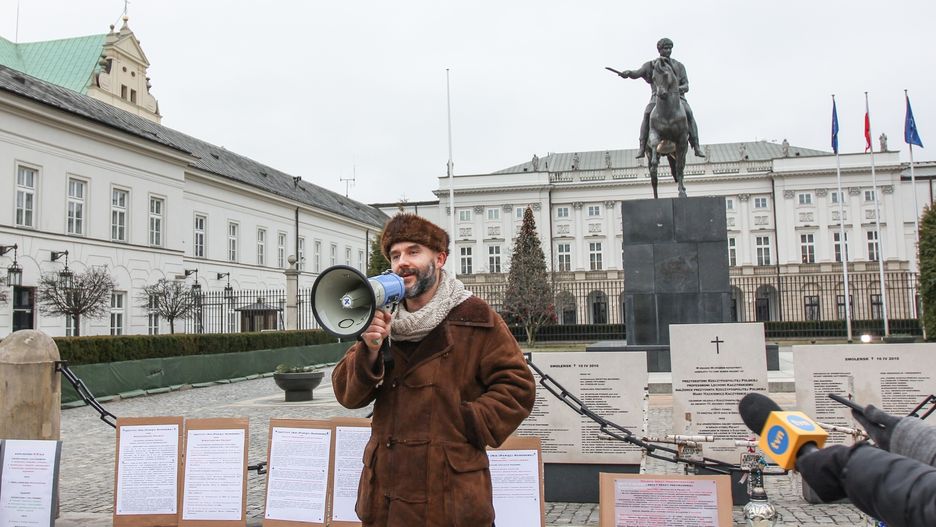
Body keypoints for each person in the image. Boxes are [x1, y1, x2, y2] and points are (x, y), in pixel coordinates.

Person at [332, 213, 536, 527]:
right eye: (396, 255)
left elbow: (517, 387)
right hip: (386, 494)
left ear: (439, 259)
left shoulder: (474, 315)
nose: (402, 262)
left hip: (450, 492)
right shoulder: (382, 318)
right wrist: (369, 349)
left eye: (414, 251)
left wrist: (466, 423)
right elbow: (347, 394)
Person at [617, 37, 705, 159]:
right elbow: (637, 73)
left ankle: (696, 145)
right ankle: (642, 147)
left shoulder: (679, 66)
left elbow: (686, 85)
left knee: (689, 113)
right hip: (657, 98)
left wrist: (677, 90)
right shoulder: (650, 65)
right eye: (665, 48)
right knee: (647, 113)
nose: (668, 51)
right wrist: (628, 73)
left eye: (670, 48)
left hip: (677, 98)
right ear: (659, 49)